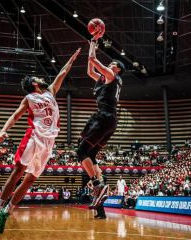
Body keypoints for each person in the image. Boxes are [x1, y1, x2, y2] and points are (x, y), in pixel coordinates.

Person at [0, 48, 81, 233]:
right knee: (19, 170)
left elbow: (62, 73)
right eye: (37, 77)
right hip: (34, 136)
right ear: (33, 83)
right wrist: (3, 130)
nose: (41, 78)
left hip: (49, 142)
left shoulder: (51, 91)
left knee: (31, 179)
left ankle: (7, 211)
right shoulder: (29, 98)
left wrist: (72, 59)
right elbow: (15, 115)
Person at [76, 37, 125, 208]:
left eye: (113, 63)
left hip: (104, 117)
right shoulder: (105, 79)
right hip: (110, 120)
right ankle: (101, 185)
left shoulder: (112, 75)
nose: (110, 64)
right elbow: (90, 71)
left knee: (81, 151)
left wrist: (92, 45)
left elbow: (93, 60)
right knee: (91, 154)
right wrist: (91, 52)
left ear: (118, 69)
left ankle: (98, 186)